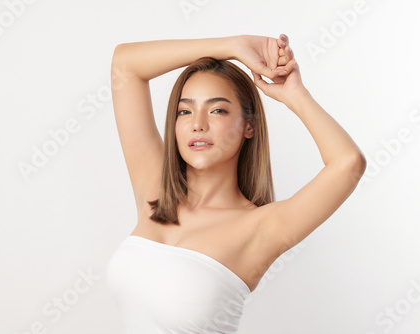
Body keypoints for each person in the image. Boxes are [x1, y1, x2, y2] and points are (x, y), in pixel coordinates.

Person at [106, 34, 366, 333]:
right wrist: (233, 47)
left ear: (249, 125)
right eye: (184, 111)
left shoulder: (263, 227)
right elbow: (125, 64)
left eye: (217, 110)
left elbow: (348, 163)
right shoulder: (155, 189)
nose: (197, 123)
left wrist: (294, 93)